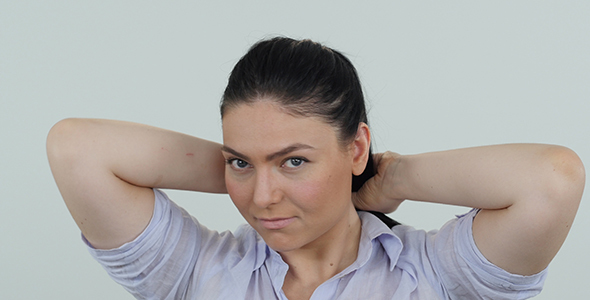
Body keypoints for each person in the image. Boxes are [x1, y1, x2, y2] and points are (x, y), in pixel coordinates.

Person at [47, 37, 585, 300]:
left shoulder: (435, 276)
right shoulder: (196, 271)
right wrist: (255, 165)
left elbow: (551, 179)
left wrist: (387, 177)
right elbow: (76, 149)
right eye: (240, 162)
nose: (262, 198)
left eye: (294, 161)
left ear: (356, 149)